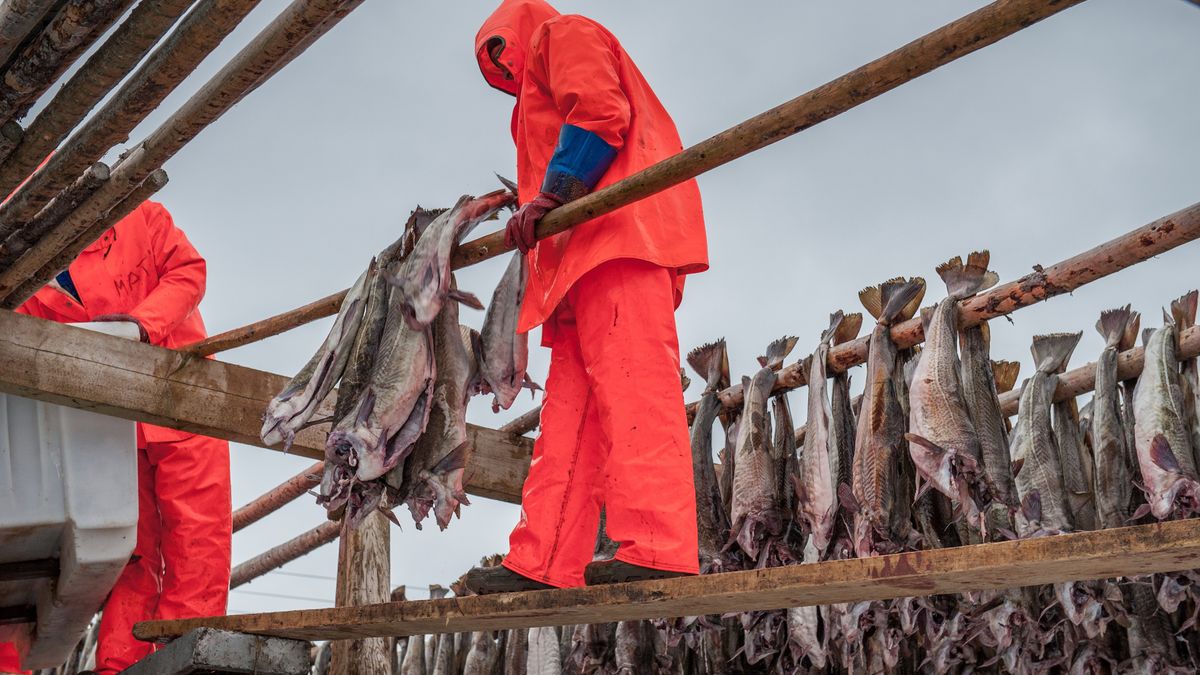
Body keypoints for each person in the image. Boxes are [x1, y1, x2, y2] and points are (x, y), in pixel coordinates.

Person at [465, 0, 709, 594]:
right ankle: (542, 561)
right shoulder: (526, 108)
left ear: (513, 32)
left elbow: (601, 113)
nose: (502, 69)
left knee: (635, 391)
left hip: (621, 240)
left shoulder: (561, 33)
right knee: (567, 419)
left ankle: (659, 546)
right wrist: (544, 213)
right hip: (573, 267)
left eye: (501, 53)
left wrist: (554, 194)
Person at [6, 199, 231, 674]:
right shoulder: (29, 274)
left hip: (184, 401)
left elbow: (188, 272)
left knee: (199, 547)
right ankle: (118, 666)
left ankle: (186, 660)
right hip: (109, 427)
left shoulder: (141, 216)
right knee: (129, 553)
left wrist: (140, 324)